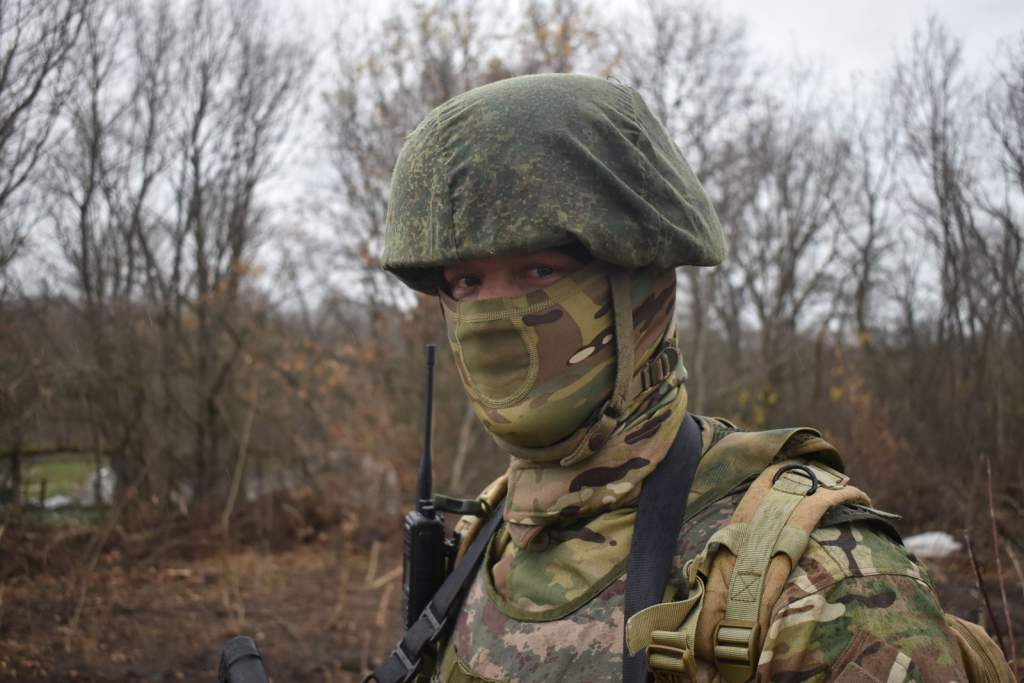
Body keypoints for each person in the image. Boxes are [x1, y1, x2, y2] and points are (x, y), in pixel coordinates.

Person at [379, 74, 982, 682]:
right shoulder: (482, 536)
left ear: (642, 289)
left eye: (539, 271)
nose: (492, 314)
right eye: (467, 282)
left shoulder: (818, 583)